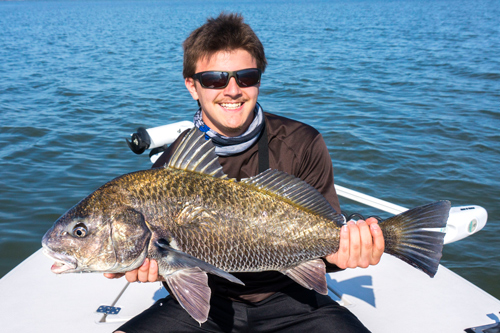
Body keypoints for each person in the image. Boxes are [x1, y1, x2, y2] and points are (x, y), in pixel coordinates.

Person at [106, 13, 384, 332]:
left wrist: (348, 252)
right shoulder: (167, 169)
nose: (232, 90)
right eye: (214, 79)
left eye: (246, 76)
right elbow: (175, 269)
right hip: (206, 305)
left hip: (293, 298)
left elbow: (327, 241)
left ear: (258, 81)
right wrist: (147, 266)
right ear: (192, 86)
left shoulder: (303, 143)